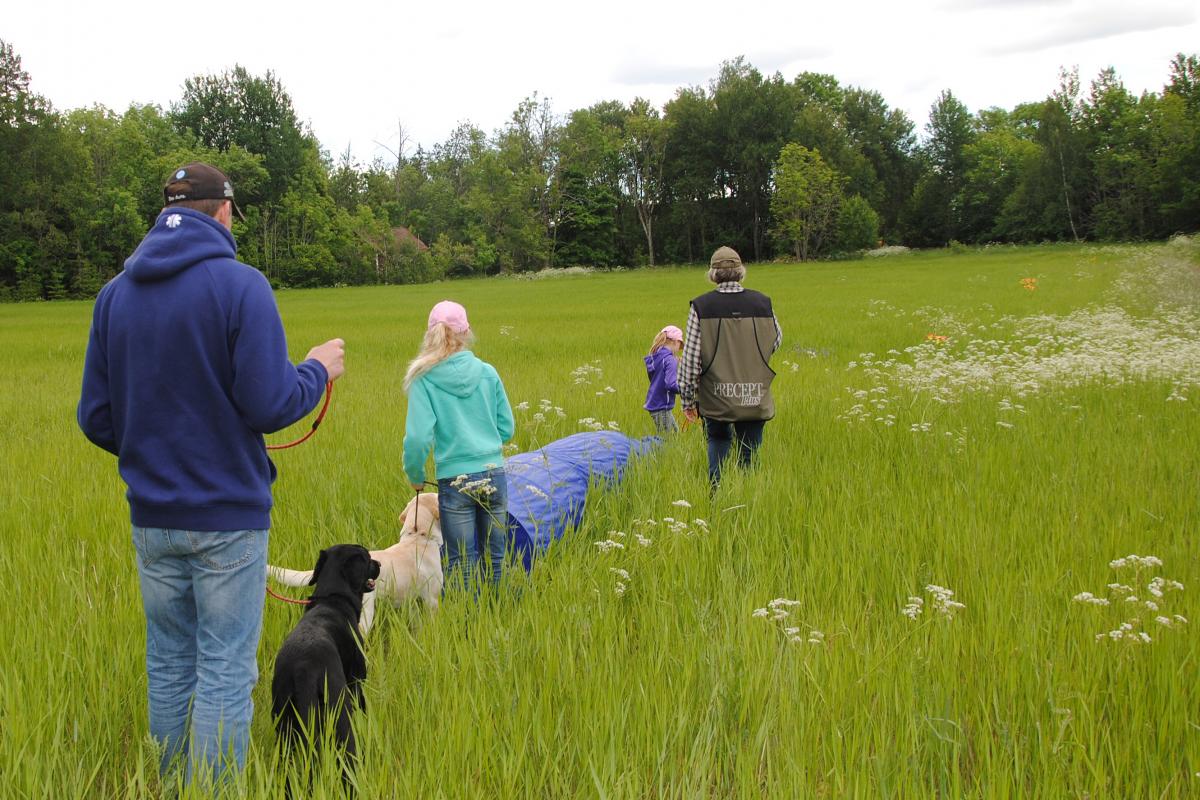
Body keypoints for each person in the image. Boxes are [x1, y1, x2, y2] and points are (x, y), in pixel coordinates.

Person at [77, 162, 346, 788]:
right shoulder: (241, 286)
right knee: (225, 668)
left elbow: (96, 417)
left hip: (153, 519)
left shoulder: (115, 295)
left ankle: (171, 786)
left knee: (170, 662)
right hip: (227, 519)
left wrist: (154, 448)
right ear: (223, 212)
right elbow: (270, 404)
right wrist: (315, 370)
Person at [402, 300, 515, 590]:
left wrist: (415, 476)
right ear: (466, 332)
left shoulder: (423, 379)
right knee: (498, 557)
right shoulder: (487, 372)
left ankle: (469, 626)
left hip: (454, 480)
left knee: (462, 561)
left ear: (430, 334)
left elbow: (417, 438)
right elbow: (507, 428)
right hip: (493, 472)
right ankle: (500, 613)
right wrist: (485, 445)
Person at [679, 246, 782, 485]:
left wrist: (688, 400)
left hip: (715, 397)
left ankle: (716, 495)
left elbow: (691, 359)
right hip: (755, 393)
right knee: (749, 451)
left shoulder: (702, 307)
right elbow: (775, 340)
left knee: (718, 441)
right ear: (741, 272)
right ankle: (748, 497)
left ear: (713, 274)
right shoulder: (762, 303)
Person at [643, 324, 683, 433]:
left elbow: (654, 377)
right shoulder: (670, 360)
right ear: (674, 341)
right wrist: (685, 389)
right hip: (662, 405)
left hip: (655, 402)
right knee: (669, 439)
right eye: (680, 343)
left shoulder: (656, 356)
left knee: (674, 434)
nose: (679, 348)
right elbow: (670, 384)